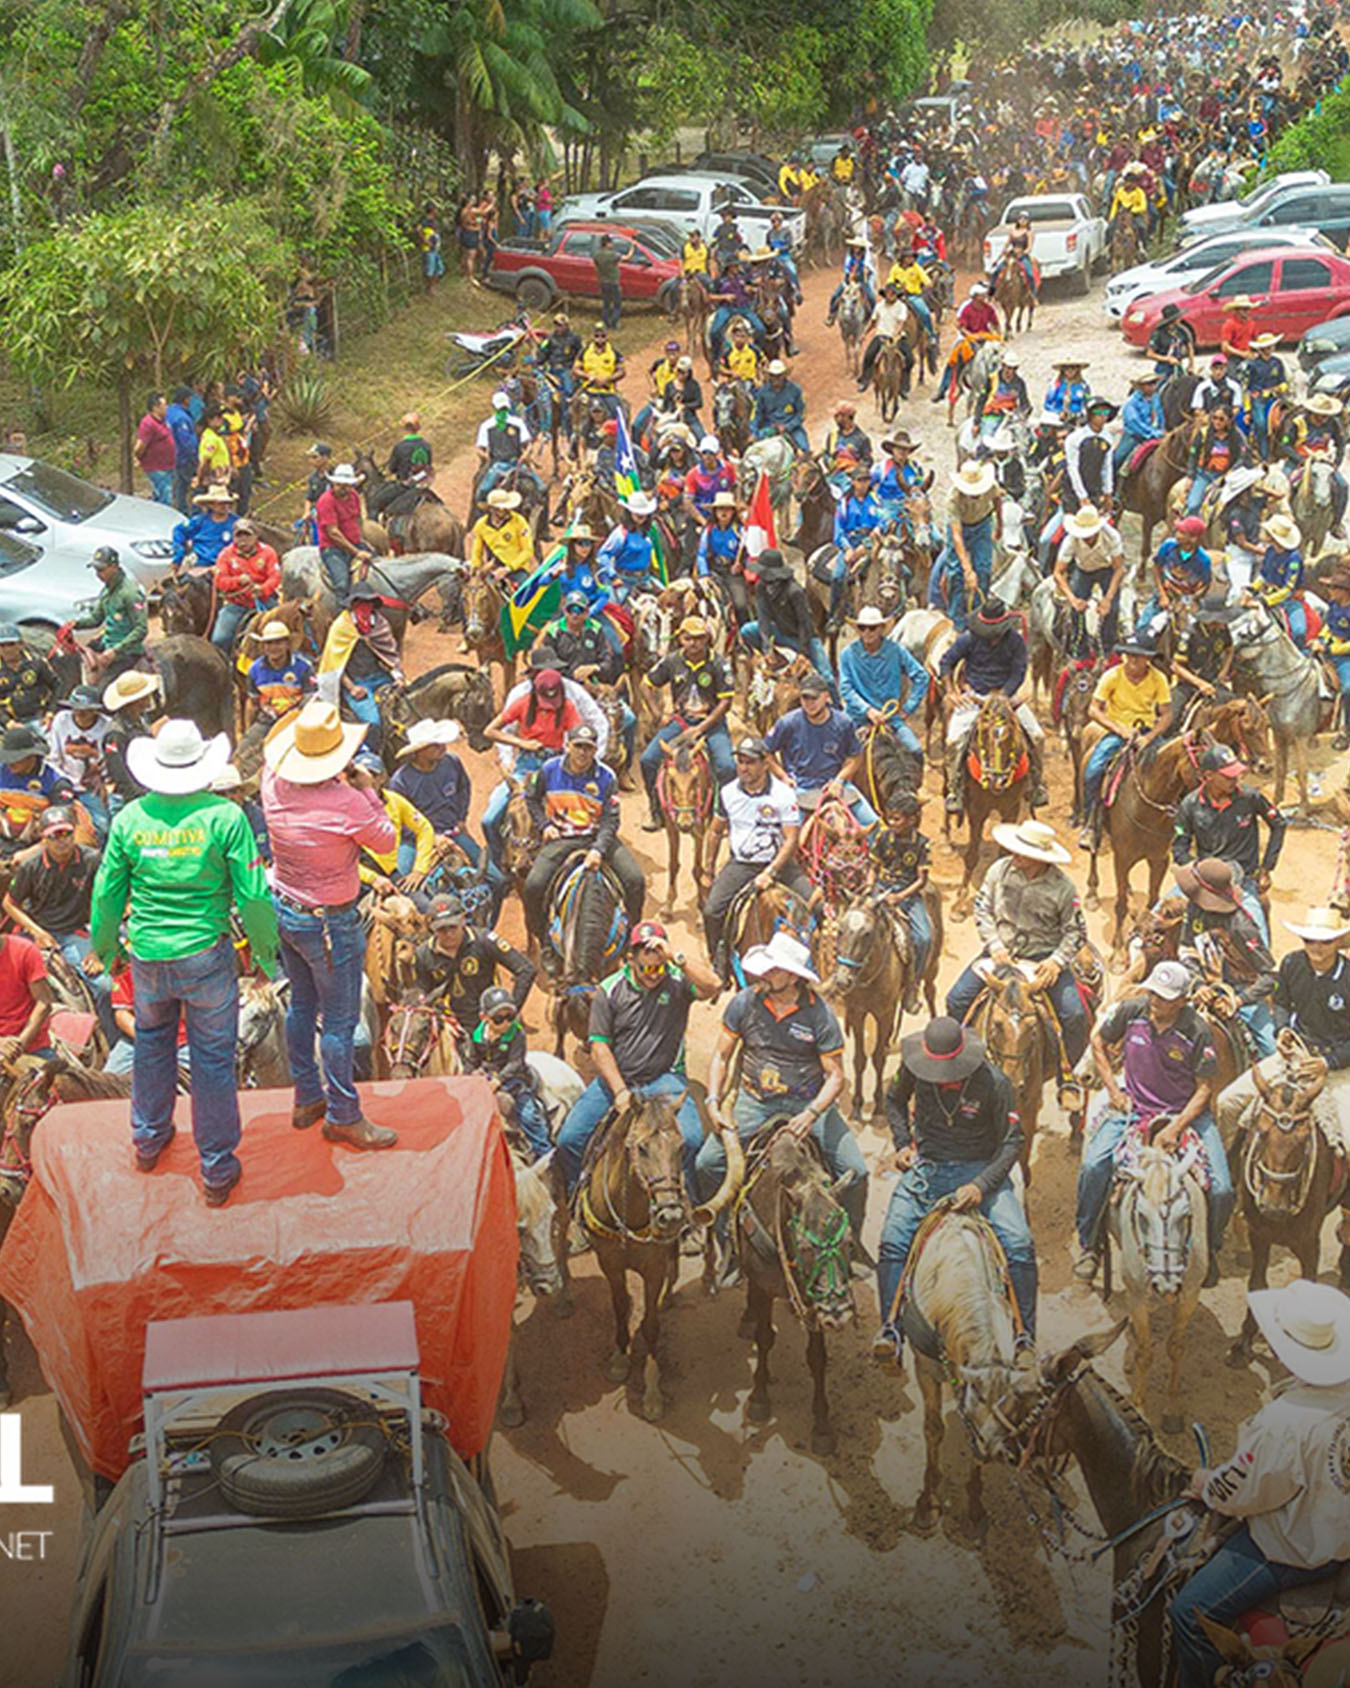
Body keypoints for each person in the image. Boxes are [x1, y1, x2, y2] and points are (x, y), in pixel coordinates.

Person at [91, 720, 279, 1204]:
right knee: (213, 1059)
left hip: (148, 957)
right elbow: (254, 895)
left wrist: (107, 950)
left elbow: (108, 890)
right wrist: (263, 955)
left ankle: (148, 1139)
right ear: (202, 765)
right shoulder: (225, 817)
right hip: (206, 956)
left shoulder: (132, 817)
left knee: (152, 1044)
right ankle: (216, 1169)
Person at [1167, 1279, 1350, 1688]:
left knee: (1189, 1612)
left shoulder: (1283, 1422)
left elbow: (1242, 1493)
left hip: (1293, 1552)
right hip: (1343, 1534)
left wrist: (1205, 1484)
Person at [260, 700, 397, 1151]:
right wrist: (368, 789)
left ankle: (306, 1095)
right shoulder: (346, 802)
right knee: (339, 1021)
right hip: (330, 921)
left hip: (286, 909)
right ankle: (343, 1114)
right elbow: (387, 840)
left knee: (302, 1004)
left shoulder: (272, 784)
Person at [697, 930, 869, 1272]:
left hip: (806, 1103)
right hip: (754, 1100)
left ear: (793, 976)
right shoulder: (745, 1002)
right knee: (706, 1164)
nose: (767, 974)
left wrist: (811, 1113)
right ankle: (726, 1243)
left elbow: (835, 1076)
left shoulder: (819, 1014)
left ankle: (850, 1247)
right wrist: (714, 1100)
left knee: (857, 1172)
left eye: (775, 969)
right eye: (767, 968)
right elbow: (721, 1056)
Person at [873, 1014, 1034, 1362]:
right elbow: (894, 1100)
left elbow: (1012, 1142)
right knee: (892, 1241)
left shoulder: (995, 1082)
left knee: (1019, 1243)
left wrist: (981, 1185)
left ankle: (1025, 1338)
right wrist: (902, 1143)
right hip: (928, 1167)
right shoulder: (913, 1069)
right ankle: (890, 1329)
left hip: (981, 1170)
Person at [1074, 958, 1231, 1284]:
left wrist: (1176, 1127)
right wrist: (1113, 1088)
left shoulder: (1197, 1030)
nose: (1155, 1001)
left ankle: (1212, 1248)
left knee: (1222, 1188)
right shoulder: (1132, 1011)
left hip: (1185, 1114)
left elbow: (1205, 1089)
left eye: (1164, 997)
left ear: (1183, 1001)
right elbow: (1098, 1041)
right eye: (1153, 993)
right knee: (1093, 1167)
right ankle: (1089, 1244)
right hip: (1134, 1109)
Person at [557, 918, 720, 1205]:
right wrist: (620, 1091)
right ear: (630, 960)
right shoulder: (609, 990)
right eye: (646, 967)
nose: (654, 974)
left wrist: (676, 958)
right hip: (617, 1080)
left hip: (665, 1079)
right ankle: (576, 1200)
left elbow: (713, 985)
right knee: (569, 1139)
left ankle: (689, 1207)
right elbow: (599, 1048)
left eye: (659, 966)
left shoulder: (677, 981)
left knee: (692, 1140)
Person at [946, 817, 1089, 1081]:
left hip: (1041, 961)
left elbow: (1075, 932)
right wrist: (995, 946)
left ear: (1040, 858)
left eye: (1022, 852)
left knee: (1074, 1015)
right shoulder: (998, 871)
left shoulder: (1063, 888)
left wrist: (1056, 961)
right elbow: (982, 909)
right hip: (999, 955)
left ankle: (1068, 1077)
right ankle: (960, 1065)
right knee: (956, 999)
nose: (1014, 855)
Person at [1216, 903, 1350, 1155]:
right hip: (1294, 1057)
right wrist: (1281, 1031)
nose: (1316, 948)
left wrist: (1328, 1062)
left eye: (1324, 942)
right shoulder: (1292, 963)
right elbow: (1281, 1003)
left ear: (1337, 943)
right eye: (1310, 941)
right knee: (1227, 1103)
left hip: (1339, 1069)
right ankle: (1226, 1176)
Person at [521, 723, 645, 959]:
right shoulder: (549, 770)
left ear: (595, 749)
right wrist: (544, 826)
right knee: (533, 886)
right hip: (562, 838)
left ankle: (631, 938)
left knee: (635, 880)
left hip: (597, 838)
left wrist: (599, 849)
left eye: (588, 748)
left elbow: (611, 819)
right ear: (568, 746)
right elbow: (531, 798)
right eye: (578, 746)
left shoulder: (606, 777)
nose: (583, 753)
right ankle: (546, 942)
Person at [701, 735, 812, 971]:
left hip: (779, 864)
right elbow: (714, 831)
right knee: (712, 911)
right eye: (740, 761)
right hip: (743, 864)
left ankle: (823, 962)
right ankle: (719, 960)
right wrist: (708, 868)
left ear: (765, 763)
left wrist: (771, 872)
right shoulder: (728, 792)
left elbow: (791, 839)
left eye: (750, 762)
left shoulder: (783, 794)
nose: (743, 767)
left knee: (816, 904)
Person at [938, 596, 1048, 812]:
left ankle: (1037, 783)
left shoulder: (1015, 641)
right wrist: (952, 691)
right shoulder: (968, 639)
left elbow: (1019, 670)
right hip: (976, 697)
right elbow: (946, 662)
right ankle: (955, 787)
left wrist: (1004, 695)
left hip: (1007, 697)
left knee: (1037, 736)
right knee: (953, 741)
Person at [1172, 745, 1284, 940]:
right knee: (1160, 916)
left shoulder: (1250, 797)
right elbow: (1179, 845)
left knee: (1258, 938)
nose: (1235, 780)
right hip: (1205, 881)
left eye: (1236, 775)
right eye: (1228, 776)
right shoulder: (1189, 805)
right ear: (1208, 776)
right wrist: (1194, 870)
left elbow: (1279, 824)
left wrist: (1266, 868)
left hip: (1244, 881)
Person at [1175, 856, 1279, 1057]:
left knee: (1271, 1051)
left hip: (1241, 995)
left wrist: (1239, 1000)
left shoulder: (1241, 927)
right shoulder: (1194, 909)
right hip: (1202, 986)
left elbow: (1271, 977)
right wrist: (1198, 985)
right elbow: (1187, 947)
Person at [638, 616, 735, 830]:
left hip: (711, 723)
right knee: (648, 760)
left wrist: (700, 728)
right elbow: (646, 685)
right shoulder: (672, 661)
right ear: (680, 638)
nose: (694, 643)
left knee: (727, 766)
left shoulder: (719, 663)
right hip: (679, 723)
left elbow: (726, 702)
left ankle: (723, 814)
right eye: (689, 638)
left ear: (707, 639)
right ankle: (656, 809)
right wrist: (657, 714)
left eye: (699, 638)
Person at [764, 670, 876, 829]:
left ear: (826, 697)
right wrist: (783, 777)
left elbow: (855, 757)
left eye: (814, 698)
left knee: (872, 824)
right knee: (786, 832)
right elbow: (766, 752)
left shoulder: (844, 723)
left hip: (836, 786)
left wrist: (839, 780)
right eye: (805, 698)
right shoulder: (787, 723)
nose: (809, 703)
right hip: (801, 788)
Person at [413, 893, 535, 1035]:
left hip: (487, 1023)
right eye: (441, 929)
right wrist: (442, 1022)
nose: (448, 934)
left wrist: (508, 1014)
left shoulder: (484, 941)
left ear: (463, 919)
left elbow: (526, 969)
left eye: (453, 927)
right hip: (450, 1026)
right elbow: (424, 995)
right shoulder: (423, 954)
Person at [464, 985, 551, 1160]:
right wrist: (471, 1074)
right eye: (498, 1019)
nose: (506, 1023)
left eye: (510, 1017)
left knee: (528, 1115)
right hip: (485, 1080)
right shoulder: (476, 1036)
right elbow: (472, 1060)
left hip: (513, 1081)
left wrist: (499, 1080)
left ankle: (544, 1152)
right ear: (484, 1017)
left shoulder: (516, 1033)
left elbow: (515, 1062)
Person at [865, 788, 933, 1012]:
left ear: (912, 819)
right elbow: (873, 868)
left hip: (907, 893)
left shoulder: (923, 844)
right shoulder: (883, 837)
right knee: (854, 923)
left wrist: (900, 897)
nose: (891, 822)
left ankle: (912, 985)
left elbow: (921, 880)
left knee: (923, 937)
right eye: (889, 817)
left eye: (897, 818)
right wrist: (869, 886)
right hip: (881, 888)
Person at [317, 582, 403, 748]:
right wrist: (351, 688)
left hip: (380, 676)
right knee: (373, 722)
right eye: (360, 603)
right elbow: (334, 664)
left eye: (368, 603)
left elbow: (390, 654)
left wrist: (398, 676)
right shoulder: (341, 626)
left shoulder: (380, 624)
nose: (364, 607)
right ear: (353, 605)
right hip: (356, 681)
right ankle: (372, 756)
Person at [838, 604, 929, 759]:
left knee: (916, 752)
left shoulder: (896, 651)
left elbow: (921, 677)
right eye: (862, 628)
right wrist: (868, 710)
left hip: (890, 718)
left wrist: (907, 708)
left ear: (880, 628)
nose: (867, 632)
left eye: (872, 628)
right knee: (835, 753)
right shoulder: (847, 654)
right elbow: (846, 689)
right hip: (857, 718)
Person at [389, 718, 481, 869]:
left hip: (452, 831)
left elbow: (463, 787)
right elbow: (399, 822)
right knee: (403, 879)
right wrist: (431, 838)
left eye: (442, 742)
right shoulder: (400, 781)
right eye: (434, 745)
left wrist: (460, 818)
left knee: (496, 879)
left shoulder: (452, 762)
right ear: (419, 751)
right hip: (417, 840)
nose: (442, 747)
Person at [739, 548, 833, 684]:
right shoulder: (761, 588)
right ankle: (777, 660)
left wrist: (803, 652)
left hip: (804, 637)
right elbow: (763, 618)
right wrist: (767, 648)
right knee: (747, 631)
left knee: (827, 678)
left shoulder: (794, 591)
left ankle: (836, 704)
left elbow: (804, 623)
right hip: (780, 631)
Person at [930, 459, 1001, 632]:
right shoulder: (953, 499)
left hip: (983, 524)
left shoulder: (991, 486)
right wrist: (967, 569)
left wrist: (1000, 524)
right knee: (955, 572)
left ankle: (979, 614)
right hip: (961, 527)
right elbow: (957, 535)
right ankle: (956, 619)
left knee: (984, 568)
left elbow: (997, 500)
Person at [1054, 503, 1125, 658]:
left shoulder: (1111, 536)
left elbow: (1119, 569)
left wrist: (1108, 599)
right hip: (1083, 570)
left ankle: (1108, 648)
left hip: (1107, 569)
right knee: (1075, 611)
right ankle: (1079, 649)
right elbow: (1058, 572)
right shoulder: (1071, 540)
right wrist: (1073, 599)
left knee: (1112, 610)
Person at [70, 547, 148, 683]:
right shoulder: (106, 590)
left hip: (127, 652)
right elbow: (96, 619)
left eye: (101, 570)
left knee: (102, 692)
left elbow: (141, 629)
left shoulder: (130, 594)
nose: (98, 574)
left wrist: (115, 651)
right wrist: (76, 624)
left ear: (114, 567)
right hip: (107, 642)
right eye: (96, 570)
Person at [47, 685, 111, 835]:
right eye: (76, 708)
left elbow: (110, 762)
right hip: (64, 784)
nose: (81, 713)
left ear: (96, 710)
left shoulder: (107, 727)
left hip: (92, 787)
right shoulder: (61, 721)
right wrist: (59, 784)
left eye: (86, 710)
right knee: (59, 823)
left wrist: (105, 783)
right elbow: (54, 758)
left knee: (102, 826)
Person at [209, 518, 280, 653]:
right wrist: (237, 581)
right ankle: (226, 668)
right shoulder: (225, 555)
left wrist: (262, 589)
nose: (243, 540)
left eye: (247, 535)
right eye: (239, 535)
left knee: (288, 628)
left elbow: (275, 577)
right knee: (219, 639)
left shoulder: (268, 552)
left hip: (265, 602)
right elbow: (220, 581)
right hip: (236, 605)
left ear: (256, 536)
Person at [314, 463, 371, 600]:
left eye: (346, 485)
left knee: (380, 571)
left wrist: (362, 539)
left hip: (355, 543)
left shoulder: (354, 497)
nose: (343, 488)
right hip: (333, 549)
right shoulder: (326, 501)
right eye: (339, 484)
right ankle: (342, 613)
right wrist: (357, 552)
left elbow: (358, 519)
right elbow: (333, 533)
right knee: (342, 583)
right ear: (333, 483)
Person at [245, 619, 315, 728]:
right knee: (246, 745)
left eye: (278, 643)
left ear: (287, 644)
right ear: (264, 646)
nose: (273, 647)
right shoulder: (254, 669)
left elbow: (310, 699)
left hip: (297, 720)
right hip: (266, 720)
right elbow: (253, 703)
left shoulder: (304, 667)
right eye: (269, 643)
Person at [474, 390, 540, 504]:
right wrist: (525, 455)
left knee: (482, 493)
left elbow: (528, 445)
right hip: (502, 464)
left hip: (513, 464)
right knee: (541, 489)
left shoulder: (515, 423)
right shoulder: (488, 426)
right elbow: (480, 449)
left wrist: (524, 456)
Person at [0, 928, 54, 1064]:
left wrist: (18, 1045)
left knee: (62, 1081)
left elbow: (44, 1002)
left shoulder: (25, 950)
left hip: (32, 1044)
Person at [695, 492, 749, 623]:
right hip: (713, 571)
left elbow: (749, 553)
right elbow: (701, 554)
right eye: (720, 509)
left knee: (740, 605)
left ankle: (745, 635)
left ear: (732, 512)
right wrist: (704, 574)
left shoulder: (741, 531)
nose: (723, 513)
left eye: (727, 509)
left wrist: (741, 565)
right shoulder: (708, 531)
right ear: (715, 512)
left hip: (732, 573)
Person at [1313, 561, 1350, 750]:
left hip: (1345, 656)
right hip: (1327, 647)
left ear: (1345, 590)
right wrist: (1319, 639)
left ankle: (1346, 731)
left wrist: (1332, 650)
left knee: (1348, 689)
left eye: (1333, 588)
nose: (1329, 591)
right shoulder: (1333, 606)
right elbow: (1328, 626)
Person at [1187, 404, 1247, 517]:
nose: (1217, 422)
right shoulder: (1203, 433)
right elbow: (1193, 455)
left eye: (1221, 419)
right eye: (1214, 418)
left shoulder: (1237, 436)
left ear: (1229, 421)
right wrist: (1190, 476)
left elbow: (1243, 456)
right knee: (1193, 505)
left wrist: (1232, 470)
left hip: (1225, 478)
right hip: (1205, 475)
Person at [1063, 397, 1117, 516]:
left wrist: (1108, 492)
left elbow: (1107, 467)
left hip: (1095, 489)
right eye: (1098, 412)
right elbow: (1073, 468)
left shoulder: (1108, 438)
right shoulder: (1075, 438)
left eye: (1106, 412)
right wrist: (1082, 496)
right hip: (1073, 490)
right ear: (1090, 415)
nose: (1102, 416)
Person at [469, 487, 536, 580]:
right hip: (492, 569)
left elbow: (527, 551)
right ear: (492, 509)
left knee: (526, 592)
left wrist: (508, 568)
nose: (507, 510)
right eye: (502, 508)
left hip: (517, 569)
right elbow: (476, 552)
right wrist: (475, 568)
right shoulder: (481, 525)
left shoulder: (519, 521)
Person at [0, 625, 58, 728]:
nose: (7, 649)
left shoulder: (36, 663)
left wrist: (51, 711)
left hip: (38, 717)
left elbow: (57, 685)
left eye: (11, 644)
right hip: (7, 722)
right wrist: (7, 722)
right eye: (2, 645)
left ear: (21, 644)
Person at [1114, 372, 1165, 473]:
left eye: (1154, 383)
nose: (1153, 386)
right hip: (1135, 436)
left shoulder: (1156, 398)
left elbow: (1160, 415)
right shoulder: (1131, 403)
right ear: (1141, 387)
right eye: (1149, 384)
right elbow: (1134, 423)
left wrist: (1161, 429)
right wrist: (1155, 433)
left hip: (1156, 433)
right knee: (1118, 458)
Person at [753, 359, 808, 450]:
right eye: (773, 376)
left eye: (778, 376)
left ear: (784, 375)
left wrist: (788, 426)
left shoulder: (795, 390)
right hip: (770, 428)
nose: (776, 379)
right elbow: (757, 414)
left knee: (803, 448)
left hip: (792, 428)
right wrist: (754, 432)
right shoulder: (762, 393)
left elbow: (801, 414)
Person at [134, 391, 177, 505]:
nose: (167, 408)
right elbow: (140, 446)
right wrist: (139, 458)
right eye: (164, 405)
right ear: (155, 407)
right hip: (157, 467)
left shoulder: (163, 421)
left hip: (167, 466)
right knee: (165, 497)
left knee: (160, 495)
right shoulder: (148, 424)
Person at [165, 386, 199, 515]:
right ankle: (195, 513)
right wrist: (195, 458)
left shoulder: (169, 412)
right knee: (195, 486)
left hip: (173, 456)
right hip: (184, 458)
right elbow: (186, 442)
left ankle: (181, 510)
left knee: (180, 486)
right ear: (185, 400)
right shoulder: (181, 418)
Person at [388, 412, 434, 484]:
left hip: (405, 484)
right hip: (424, 482)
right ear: (418, 427)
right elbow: (429, 465)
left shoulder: (399, 447)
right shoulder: (426, 445)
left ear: (404, 428)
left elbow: (392, 469)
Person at [1044, 359, 1091, 426]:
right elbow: (1048, 403)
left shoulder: (1084, 386)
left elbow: (1088, 401)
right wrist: (1058, 412)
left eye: (1073, 368)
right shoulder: (1056, 385)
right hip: (1057, 418)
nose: (1070, 371)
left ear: (1078, 370)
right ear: (1062, 370)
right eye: (1066, 368)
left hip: (1078, 419)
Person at [593, 234, 623, 329]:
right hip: (613, 282)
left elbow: (596, 267)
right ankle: (614, 323)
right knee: (617, 304)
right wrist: (632, 249)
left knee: (606, 304)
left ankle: (606, 322)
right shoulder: (612, 255)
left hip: (603, 282)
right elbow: (626, 258)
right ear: (607, 244)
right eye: (611, 242)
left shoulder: (597, 255)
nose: (613, 244)